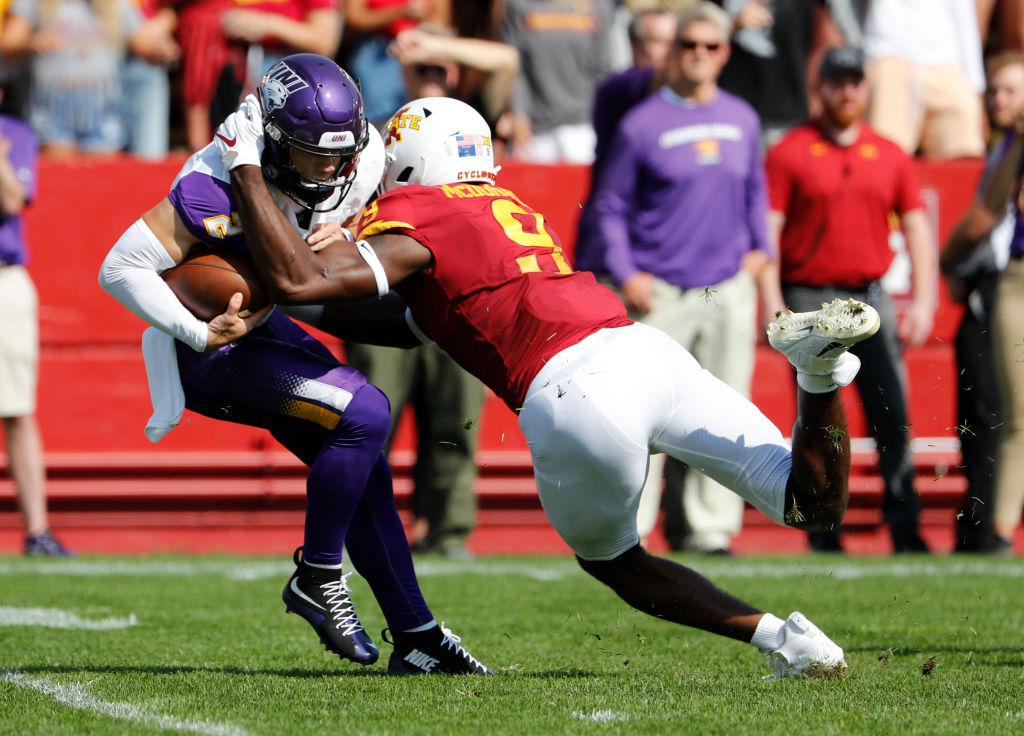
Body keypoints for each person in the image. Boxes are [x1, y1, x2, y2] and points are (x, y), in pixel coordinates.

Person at [230, 95, 886, 678]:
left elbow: (299, 280)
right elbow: (410, 324)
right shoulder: (504, 205)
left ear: (407, 161)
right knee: (810, 505)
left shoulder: (414, 209)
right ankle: (820, 373)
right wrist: (297, 298)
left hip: (577, 392)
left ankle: (781, 640)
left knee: (616, 563)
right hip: (644, 351)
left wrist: (246, 170)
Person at [99, 54, 491, 674]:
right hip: (213, 347)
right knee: (365, 410)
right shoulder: (215, 179)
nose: (333, 170)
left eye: (342, 154)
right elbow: (118, 267)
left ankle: (416, 635)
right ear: (275, 142)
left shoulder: (358, 160)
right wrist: (198, 332)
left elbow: (320, 276)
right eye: (314, 156)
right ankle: (317, 574)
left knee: (366, 471)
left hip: (272, 324)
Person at [578, 2, 785, 555]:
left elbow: (755, 194)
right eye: (687, 45)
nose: (698, 55)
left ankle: (710, 530)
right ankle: (634, 531)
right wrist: (627, 273)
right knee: (645, 415)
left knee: (726, 411)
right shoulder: (641, 123)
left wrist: (762, 250)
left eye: (710, 46)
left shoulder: (742, 117)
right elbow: (608, 206)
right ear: (673, 52)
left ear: (725, 53)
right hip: (660, 289)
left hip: (726, 286)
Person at [764, 47, 937, 553]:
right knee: (819, 414)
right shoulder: (791, 150)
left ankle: (905, 523)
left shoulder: (888, 153)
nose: (847, 91)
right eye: (837, 81)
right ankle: (819, 526)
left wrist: (924, 300)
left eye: (854, 81)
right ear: (821, 87)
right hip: (811, 297)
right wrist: (774, 302)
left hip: (868, 299)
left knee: (890, 412)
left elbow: (918, 231)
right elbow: (769, 235)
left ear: (866, 88)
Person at [939, 51, 1024, 555]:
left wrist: (949, 260)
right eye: (995, 91)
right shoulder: (1009, 145)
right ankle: (995, 533)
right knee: (1011, 418)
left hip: (1004, 279)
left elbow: (981, 220)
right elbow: (991, 207)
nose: (1001, 101)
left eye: (1012, 91)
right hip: (1010, 276)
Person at [0, 85, 72, 557]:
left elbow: (11, 199)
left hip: (4, 280)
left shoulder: (14, 134)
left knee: (18, 409)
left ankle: (37, 531)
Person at [861, 0, 985, 160]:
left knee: (965, 160)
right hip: (887, 54)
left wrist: (976, 87)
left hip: (947, 61)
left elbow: (964, 17)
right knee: (884, 160)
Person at [500, 0, 616, 163]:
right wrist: (519, 112)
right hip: (533, 127)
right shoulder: (519, 5)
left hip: (582, 126)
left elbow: (602, 69)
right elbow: (514, 65)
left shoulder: (598, 5)